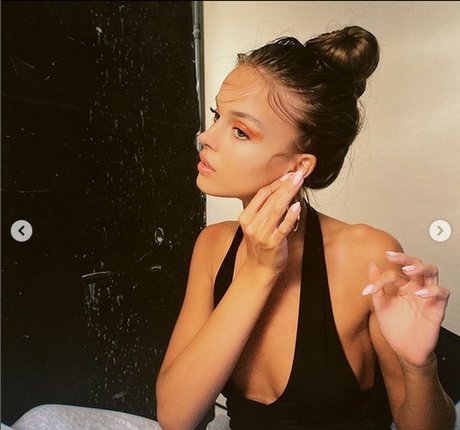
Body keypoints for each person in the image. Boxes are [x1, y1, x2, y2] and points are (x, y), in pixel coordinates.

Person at [155, 26, 456, 430]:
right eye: (216, 115)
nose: (205, 138)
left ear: (299, 166)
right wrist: (259, 271)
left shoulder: (367, 255)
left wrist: (419, 367)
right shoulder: (213, 246)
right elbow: (175, 417)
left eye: (240, 131)